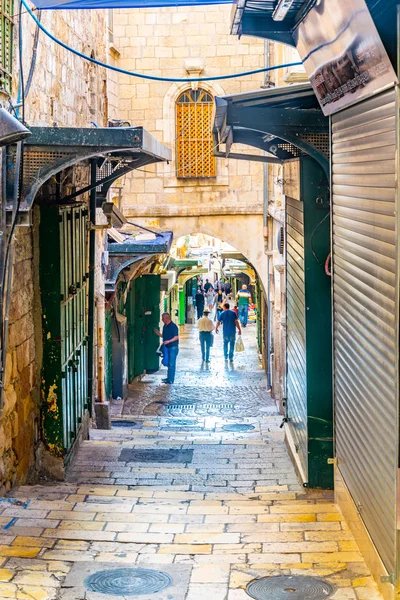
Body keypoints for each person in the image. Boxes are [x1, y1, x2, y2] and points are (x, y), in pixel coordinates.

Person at [154, 313, 179, 384]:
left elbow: (176, 337)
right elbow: (164, 336)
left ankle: (171, 379)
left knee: (171, 364)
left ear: (167, 318)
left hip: (173, 347)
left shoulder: (173, 327)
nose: (162, 320)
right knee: (168, 363)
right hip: (167, 347)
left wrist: (168, 341)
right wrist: (158, 334)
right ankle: (168, 378)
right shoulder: (165, 326)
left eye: (163, 318)